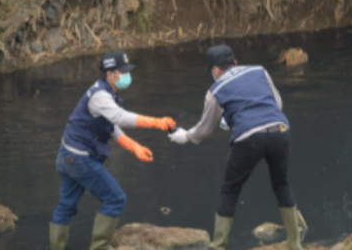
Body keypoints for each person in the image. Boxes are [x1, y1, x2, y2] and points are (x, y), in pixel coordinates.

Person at [168, 45, 302, 250]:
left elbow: (204, 128)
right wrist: (234, 120)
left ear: (214, 69)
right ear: (235, 62)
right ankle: (295, 244)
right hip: (280, 130)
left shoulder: (215, 89)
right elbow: (277, 104)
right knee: (282, 184)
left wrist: (185, 136)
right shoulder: (260, 71)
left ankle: (220, 246)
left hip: (248, 137)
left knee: (229, 190)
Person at [49, 50, 176, 250]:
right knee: (115, 199)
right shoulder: (100, 96)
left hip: (66, 156)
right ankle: (99, 247)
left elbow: (111, 127)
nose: (127, 75)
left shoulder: (106, 92)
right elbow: (119, 117)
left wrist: (134, 147)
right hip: (80, 159)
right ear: (110, 74)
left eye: (127, 70)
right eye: (122, 71)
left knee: (66, 207)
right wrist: (156, 122)